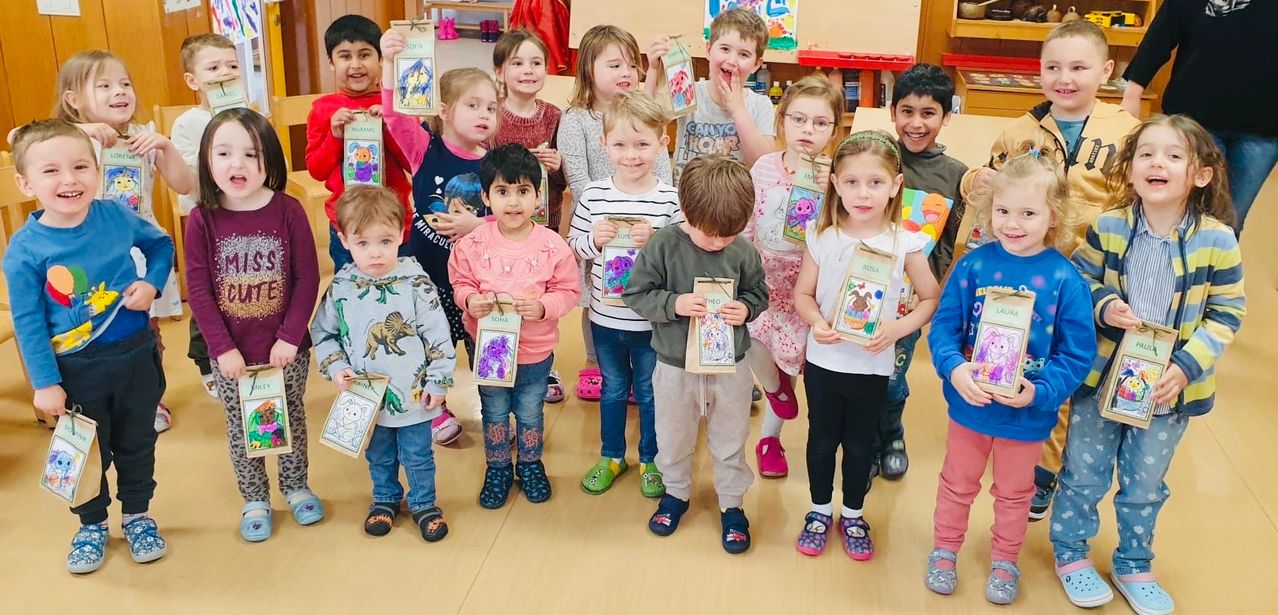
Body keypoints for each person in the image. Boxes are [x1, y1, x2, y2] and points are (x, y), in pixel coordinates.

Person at [1051, 115, 1246, 615]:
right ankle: (1071, 553)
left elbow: (1227, 313)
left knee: (1144, 483)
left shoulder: (1219, 239)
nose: (1157, 162)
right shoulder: (1111, 225)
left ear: (1200, 174)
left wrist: (1185, 366)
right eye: (1146, 154)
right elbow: (1078, 280)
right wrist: (1103, 305)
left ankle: (1133, 563)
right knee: (1083, 473)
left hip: (1168, 389)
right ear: (1131, 167)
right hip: (1101, 380)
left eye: (1174, 155)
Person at [960, 20, 1140, 520]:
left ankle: (1059, 469)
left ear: (1106, 71)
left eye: (1079, 67)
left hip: (1091, 276)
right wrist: (978, 180)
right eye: (1053, 66)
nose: (1065, 77)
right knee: (1027, 360)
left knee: (1077, 369)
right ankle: (1024, 462)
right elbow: (983, 193)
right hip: (1025, 275)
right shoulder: (1018, 131)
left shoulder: (1127, 132)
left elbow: (1140, 201)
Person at [925, 145, 1095, 605]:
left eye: (1027, 213)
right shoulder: (973, 265)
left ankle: (1005, 558)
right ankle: (945, 549)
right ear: (988, 209)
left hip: (1026, 415)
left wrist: (1040, 392)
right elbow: (944, 326)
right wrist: (954, 368)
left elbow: (1078, 354)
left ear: (1053, 217)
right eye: (1002, 210)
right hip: (971, 406)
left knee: (1016, 494)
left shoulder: (1066, 280)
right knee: (956, 485)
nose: (1012, 224)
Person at [4, 119, 174, 574]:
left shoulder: (116, 215)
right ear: (25, 183)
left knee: (138, 443)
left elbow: (161, 246)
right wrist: (45, 384)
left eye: (81, 166)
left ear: (97, 170)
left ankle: (138, 514)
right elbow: (28, 322)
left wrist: (151, 284)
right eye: (51, 171)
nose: (69, 179)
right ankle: (92, 524)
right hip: (75, 369)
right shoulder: (23, 250)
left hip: (136, 355)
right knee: (83, 453)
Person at [792, 130, 939, 562]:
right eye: (852, 182)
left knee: (860, 446)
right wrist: (817, 321)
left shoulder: (904, 242)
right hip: (824, 362)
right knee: (821, 440)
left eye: (875, 182)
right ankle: (819, 511)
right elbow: (803, 294)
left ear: (895, 186)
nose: (863, 193)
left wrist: (897, 328)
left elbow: (929, 298)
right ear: (835, 182)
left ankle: (853, 514)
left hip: (872, 367)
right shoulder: (823, 236)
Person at [184, 108, 323, 543]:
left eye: (250, 153)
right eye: (223, 153)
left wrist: (289, 337)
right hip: (232, 355)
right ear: (207, 160)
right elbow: (200, 291)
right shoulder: (201, 218)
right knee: (243, 426)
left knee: (291, 419)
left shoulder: (289, 211)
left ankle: (296, 485)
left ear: (271, 161)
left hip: (286, 351)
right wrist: (222, 348)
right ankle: (255, 497)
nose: (236, 164)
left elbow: (307, 279)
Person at [623, 155, 769, 555]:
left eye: (729, 234)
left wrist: (748, 308)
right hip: (673, 366)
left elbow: (758, 292)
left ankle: (732, 504)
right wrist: (675, 303)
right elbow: (635, 293)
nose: (720, 242)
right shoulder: (663, 244)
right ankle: (675, 494)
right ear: (686, 211)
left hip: (730, 368)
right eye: (711, 235)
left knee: (730, 438)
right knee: (672, 438)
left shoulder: (741, 250)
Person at [51, 49, 196, 433]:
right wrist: (80, 131)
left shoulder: (141, 140)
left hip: (140, 254)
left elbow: (185, 185)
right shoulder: (68, 141)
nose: (120, 92)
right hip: (90, 257)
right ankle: (95, 402)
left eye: (125, 83)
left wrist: (163, 146)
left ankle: (149, 401)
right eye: (105, 86)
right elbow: (21, 138)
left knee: (145, 334)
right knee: (91, 330)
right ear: (73, 101)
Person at [311, 186, 457, 542]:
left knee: (418, 454)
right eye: (363, 244)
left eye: (385, 241)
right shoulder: (342, 287)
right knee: (379, 454)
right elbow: (323, 333)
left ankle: (424, 503)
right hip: (365, 398)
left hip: (414, 394)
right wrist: (336, 367)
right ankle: (385, 498)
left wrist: (438, 382)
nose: (375, 253)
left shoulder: (415, 283)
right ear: (344, 240)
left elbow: (438, 335)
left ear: (401, 236)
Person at [383, 29, 503, 444]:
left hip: (475, 279)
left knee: (479, 342)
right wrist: (389, 65)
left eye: (491, 106)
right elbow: (395, 117)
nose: (485, 113)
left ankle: (495, 410)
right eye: (473, 105)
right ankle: (434, 409)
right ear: (446, 110)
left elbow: (513, 219)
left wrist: (479, 226)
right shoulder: (425, 148)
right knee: (429, 346)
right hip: (425, 274)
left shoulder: (495, 164)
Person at [449, 144, 580, 509]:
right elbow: (460, 283)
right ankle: (498, 467)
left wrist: (541, 307)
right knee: (493, 411)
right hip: (489, 351)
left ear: (537, 196)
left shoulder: (553, 245)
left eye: (523, 191)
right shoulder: (471, 244)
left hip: (536, 354)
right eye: (502, 191)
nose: (513, 202)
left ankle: (531, 463)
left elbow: (568, 291)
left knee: (529, 411)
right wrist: (470, 301)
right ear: (486, 198)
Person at [568, 90, 682, 498]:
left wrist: (657, 242)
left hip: (653, 322)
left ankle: (651, 459)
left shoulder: (670, 199)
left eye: (642, 144)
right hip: (605, 319)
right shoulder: (594, 195)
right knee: (613, 389)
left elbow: (683, 257)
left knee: (651, 392)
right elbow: (571, 246)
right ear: (604, 145)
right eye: (619, 145)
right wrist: (591, 241)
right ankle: (612, 455)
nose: (630, 154)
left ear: (662, 143)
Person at [559, 24, 675, 402]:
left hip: (645, 223)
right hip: (601, 223)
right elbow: (578, 177)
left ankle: (645, 363)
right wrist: (606, 214)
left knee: (644, 289)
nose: (626, 73)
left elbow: (662, 172)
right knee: (596, 296)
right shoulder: (577, 118)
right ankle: (595, 362)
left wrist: (646, 220)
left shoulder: (645, 116)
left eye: (631, 64)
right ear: (588, 71)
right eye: (614, 65)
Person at [745, 75, 843, 478]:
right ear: (782, 120)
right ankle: (773, 389)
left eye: (821, 123)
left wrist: (834, 191)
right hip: (762, 277)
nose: (808, 130)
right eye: (799, 119)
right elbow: (748, 221)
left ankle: (770, 438)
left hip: (806, 287)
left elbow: (845, 229)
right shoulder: (764, 167)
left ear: (836, 130)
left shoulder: (836, 175)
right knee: (749, 338)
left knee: (792, 358)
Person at [875, 63, 969, 481]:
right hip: (861, 290)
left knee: (894, 376)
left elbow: (951, 244)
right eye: (906, 111)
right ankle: (862, 438)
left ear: (946, 117)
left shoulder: (956, 176)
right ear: (892, 111)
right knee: (859, 375)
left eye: (928, 113)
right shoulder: (874, 156)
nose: (916, 123)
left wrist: (932, 290)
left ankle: (891, 433)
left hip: (909, 301)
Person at [1120, 0, 1278, 235]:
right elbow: (1161, 35)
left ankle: (1214, 271)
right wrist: (1132, 93)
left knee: (1229, 219)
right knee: (1182, 210)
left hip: (1262, 129)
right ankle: (1164, 268)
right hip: (1194, 122)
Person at [492, 28, 572, 403]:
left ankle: (545, 362)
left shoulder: (555, 116)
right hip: (501, 228)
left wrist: (556, 165)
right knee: (505, 291)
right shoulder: (493, 116)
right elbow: (484, 168)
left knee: (541, 291)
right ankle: (501, 357)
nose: (528, 70)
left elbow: (563, 177)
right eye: (518, 63)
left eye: (536, 62)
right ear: (499, 71)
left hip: (544, 225)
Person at [306, 14, 413, 270]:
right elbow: (316, 170)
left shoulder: (396, 105)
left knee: (400, 288)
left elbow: (413, 163)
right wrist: (334, 136)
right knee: (351, 291)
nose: (355, 64)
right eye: (345, 56)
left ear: (380, 59)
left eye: (364, 54)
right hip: (348, 222)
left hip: (394, 220)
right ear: (331, 63)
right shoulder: (323, 109)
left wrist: (389, 125)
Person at [170, 32, 240, 401]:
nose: (224, 73)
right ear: (193, 80)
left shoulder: (250, 114)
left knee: (242, 286)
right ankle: (205, 360)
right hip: (209, 219)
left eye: (232, 66)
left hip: (246, 217)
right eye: (213, 67)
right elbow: (189, 182)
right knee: (208, 292)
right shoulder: (187, 123)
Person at [647, 7, 776, 183]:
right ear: (708, 50)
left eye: (744, 54)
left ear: (756, 64)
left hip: (733, 205)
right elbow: (646, 123)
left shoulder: (761, 104)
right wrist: (653, 70)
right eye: (725, 49)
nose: (732, 60)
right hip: (686, 201)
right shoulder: (690, 92)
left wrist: (738, 111)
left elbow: (764, 164)